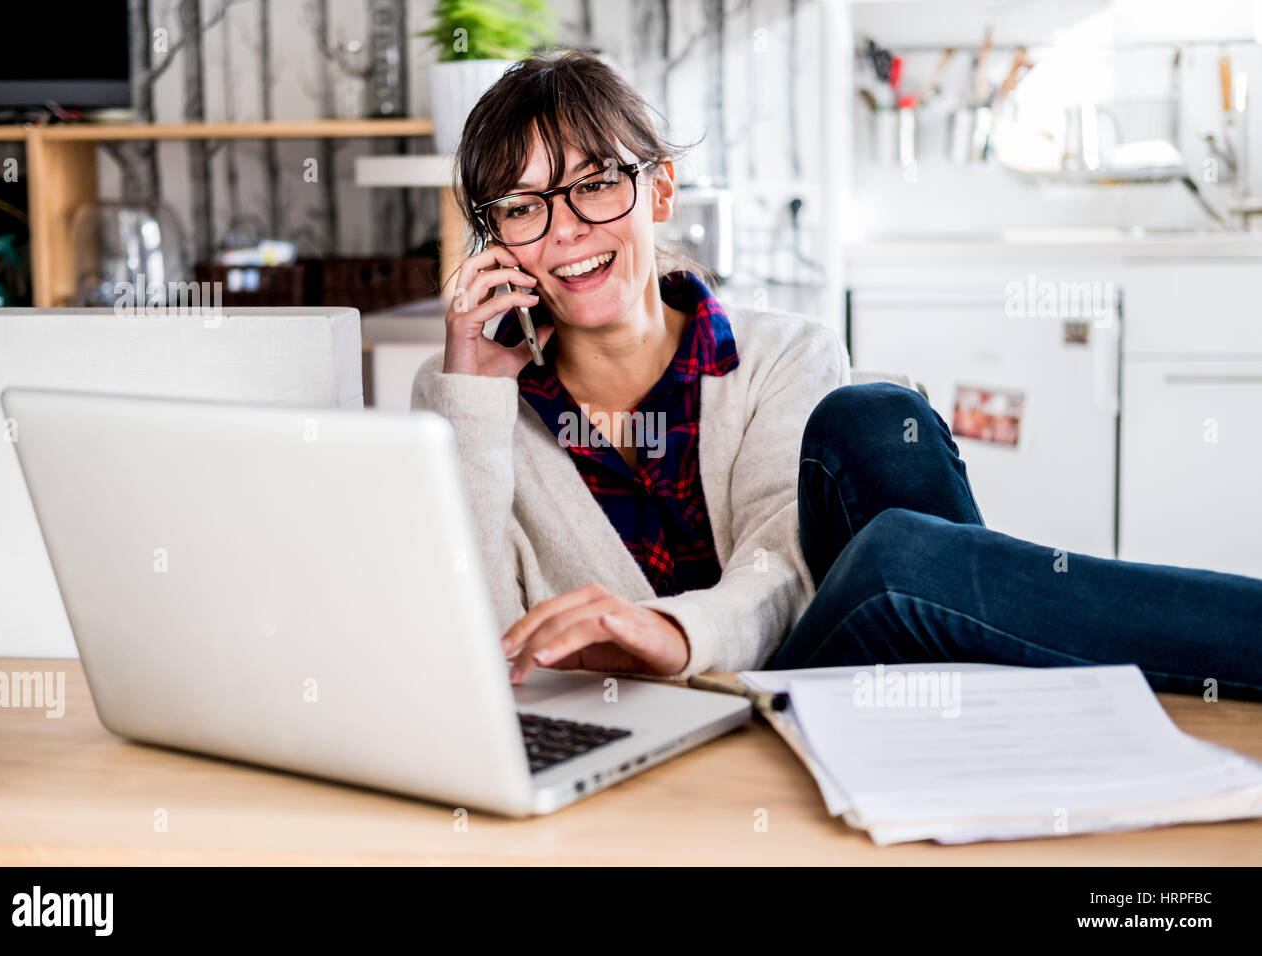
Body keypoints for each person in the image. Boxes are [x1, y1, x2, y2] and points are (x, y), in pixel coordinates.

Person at [412, 50, 1262, 700]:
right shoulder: (466, 403)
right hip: (660, 735)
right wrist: (475, 403)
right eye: (522, 206)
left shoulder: (786, 354)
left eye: (595, 184)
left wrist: (673, 633)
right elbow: (475, 653)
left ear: (660, 191)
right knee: (900, 555)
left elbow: (785, 568)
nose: (563, 229)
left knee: (876, 422)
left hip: (826, 690)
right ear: (495, 236)